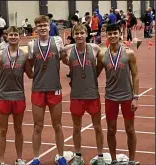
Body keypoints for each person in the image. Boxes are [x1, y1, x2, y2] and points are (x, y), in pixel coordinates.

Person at [60, 23, 105, 165]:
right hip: (76, 95)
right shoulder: (67, 49)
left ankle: (100, 156)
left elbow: (100, 66)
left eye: (82, 33)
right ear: (73, 35)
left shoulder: (95, 48)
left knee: (98, 126)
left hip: (92, 94)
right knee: (76, 127)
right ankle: (78, 155)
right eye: (76, 33)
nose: (79, 36)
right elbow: (62, 59)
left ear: (87, 34)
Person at [96, 23, 139, 165]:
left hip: (127, 97)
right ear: (106, 35)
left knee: (130, 129)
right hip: (110, 98)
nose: (113, 36)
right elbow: (94, 73)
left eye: (115, 33)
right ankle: (113, 160)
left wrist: (136, 97)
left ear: (120, 34)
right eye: (110, 34)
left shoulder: (129, 53)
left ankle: (132, 161)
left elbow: (135, 75)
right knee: (111, 130)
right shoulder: (102, 55)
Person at [28, 15, 67, 165]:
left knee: (57, 125)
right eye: (40, 25)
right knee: (37, 126)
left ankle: (61, 156)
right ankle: (36, 158)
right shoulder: (32, 45)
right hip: (38, 89)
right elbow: (29, 64)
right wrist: (31, 75)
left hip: (54, 88)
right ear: (36, 28)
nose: (43, 28)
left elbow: (65, 56)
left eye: (45, 25)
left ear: (49, 26)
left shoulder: (57, 41)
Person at [0, 26, 33, 165]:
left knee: (18, 129)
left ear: (20, 37)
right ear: (6, 37)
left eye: (16, 34)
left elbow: (31, 74)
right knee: (2, 130)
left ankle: (19, 159)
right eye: (11, 35)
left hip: (18, 96)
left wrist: (39, 62)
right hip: (3, 97)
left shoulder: (24, 55)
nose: (13, 37)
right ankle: (1, 161)